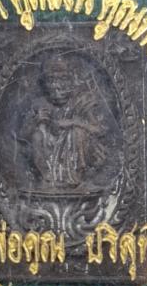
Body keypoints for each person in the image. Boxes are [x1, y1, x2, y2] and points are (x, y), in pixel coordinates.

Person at [19, 55, 109, 190]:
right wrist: (35, 121)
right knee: (37, 136)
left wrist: (73, 122)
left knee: (77, 133)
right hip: (48, 153)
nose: (57, 86)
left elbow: (100, 130)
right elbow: (23, 136)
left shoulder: (82, 102)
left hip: (78, 150)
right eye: (51, 80)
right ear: (44, 83)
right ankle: (48, 178)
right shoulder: (39, 104)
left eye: (63, 79)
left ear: (72, 81)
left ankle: (75, 178)